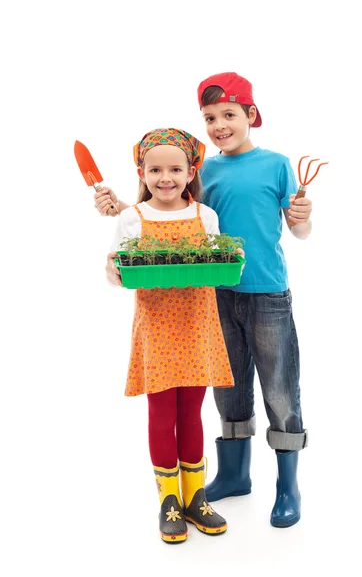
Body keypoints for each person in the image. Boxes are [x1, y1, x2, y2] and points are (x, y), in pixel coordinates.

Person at [96, 73, 312, 529]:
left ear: (250, 115)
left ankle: (288, 485)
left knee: (278, 388)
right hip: (211, 297)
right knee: (228, 390)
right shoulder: (205, 169)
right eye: (210, 117)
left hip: (268, 291)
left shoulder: (276, 164)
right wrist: (118, 211)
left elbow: (299, 231)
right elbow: (161, 207)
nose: (219, 125)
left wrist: (302, 218)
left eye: (229, 115)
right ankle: (234, 476)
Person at [106, 128, 236, 544]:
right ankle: (169, 501)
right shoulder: (133, 218)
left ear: (191, 170)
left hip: (198, 325)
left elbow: (216, 261)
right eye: (155, 169)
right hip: (157, 328)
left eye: (175, 169)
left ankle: (195, 497)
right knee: (161, 415)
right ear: (141, 172)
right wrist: (113, 269)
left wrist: (231, 258)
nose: (166, 177)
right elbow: (117, 272)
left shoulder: (205, 216)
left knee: (192, 414)